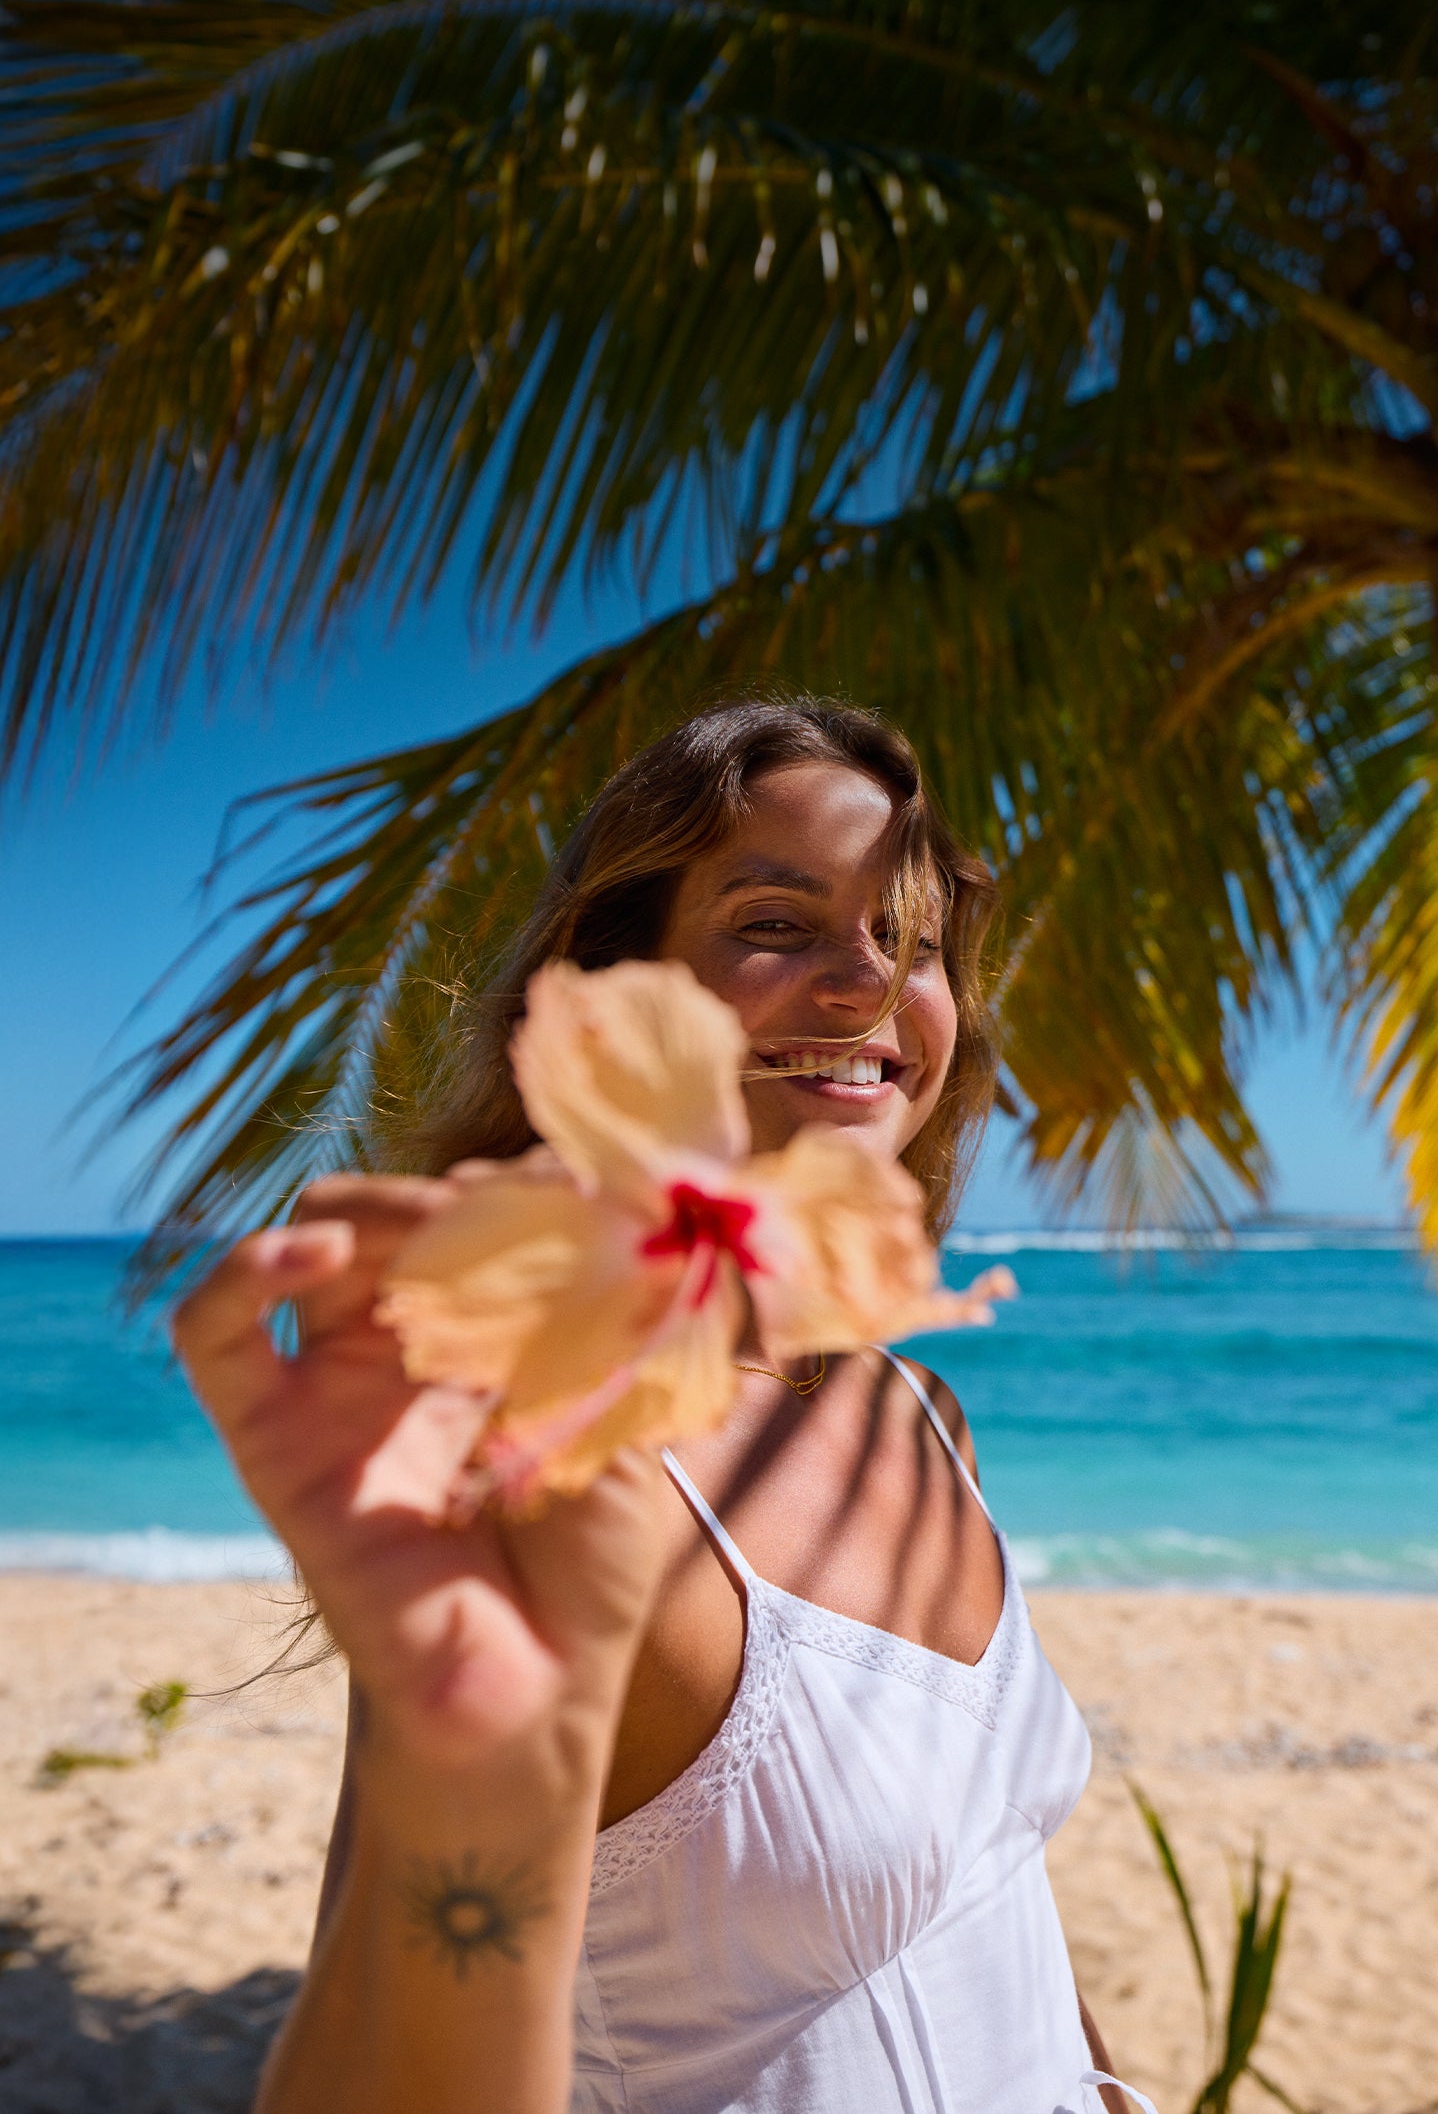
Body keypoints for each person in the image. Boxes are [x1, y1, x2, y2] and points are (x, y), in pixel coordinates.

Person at [176, 698, 1138, 2114]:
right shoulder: (552, 1462)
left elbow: (988, 1899)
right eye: (776, 921)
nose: (869, 983)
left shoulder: (914, 1405)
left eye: (914, 940)